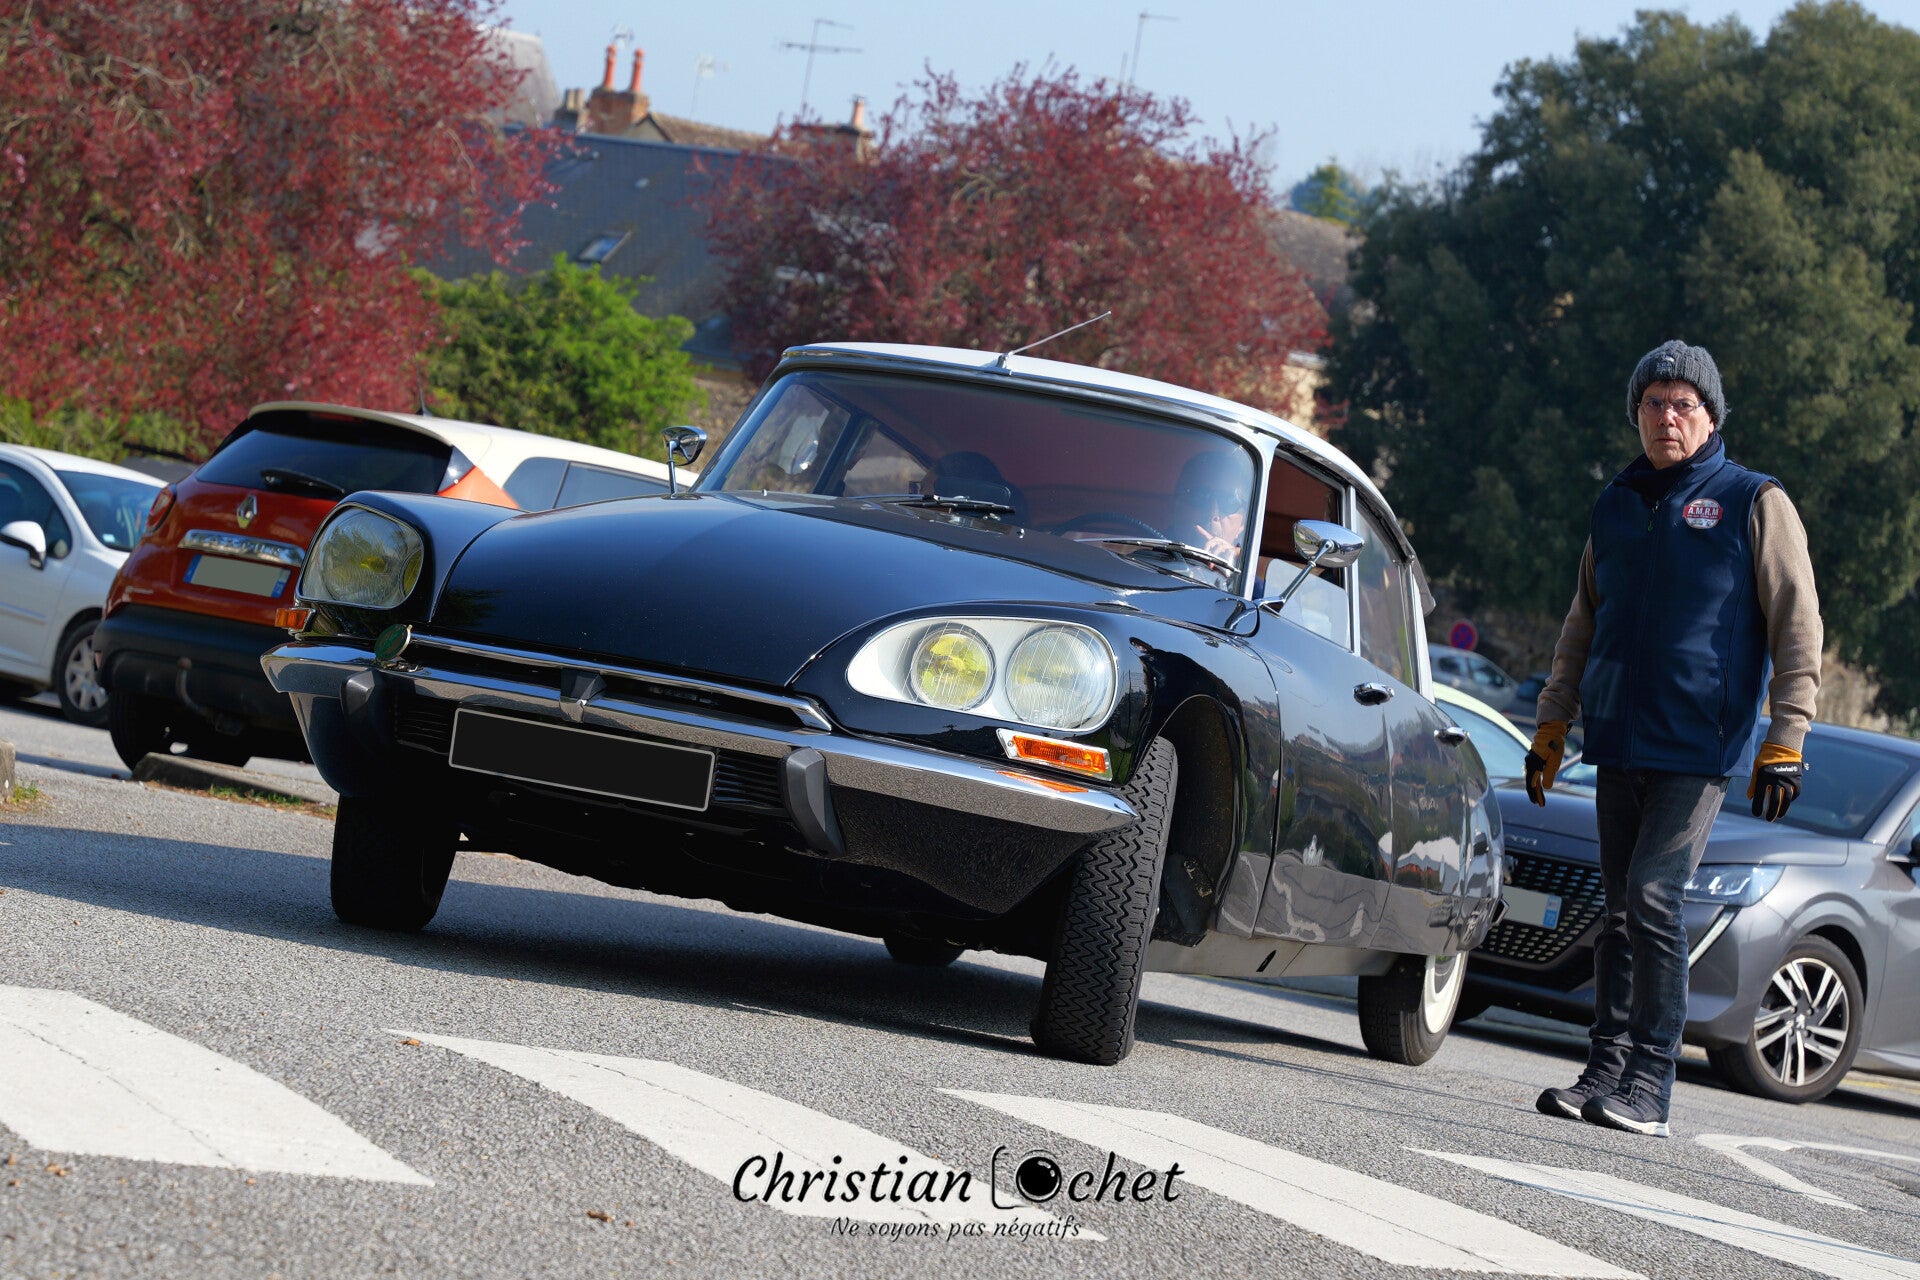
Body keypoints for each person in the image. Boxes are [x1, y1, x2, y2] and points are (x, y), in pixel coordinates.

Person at [1527, 339, 1822, 1138]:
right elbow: (1582, 623)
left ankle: (1651, 1085)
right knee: (1619, 912)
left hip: (1698, 745)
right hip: (1617, 737)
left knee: (1655, 899)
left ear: (1710, 416)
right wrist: (1553, 722)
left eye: (1683, 405)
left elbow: (1798, 625)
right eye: (1653, 404)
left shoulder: (1754, 500)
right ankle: (1605, 1072)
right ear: (1637, 415)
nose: (1667, 417)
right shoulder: (1617, 503)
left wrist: (1786, 737)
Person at [1169, 449, 1251, 566]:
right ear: (1176, 504)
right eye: (1199, 497)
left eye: (1228, 502)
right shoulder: (1143, 559)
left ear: (1242, 524)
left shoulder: (1248, 576)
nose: (1212, 514)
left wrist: (1233, 562)